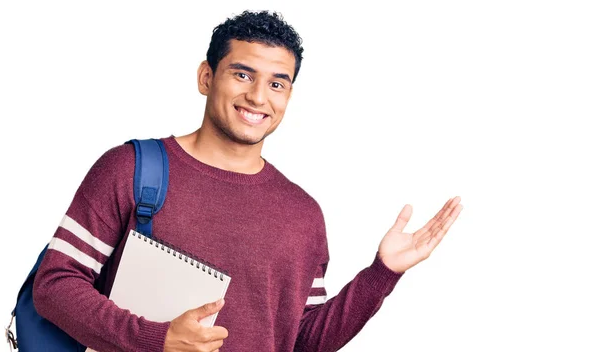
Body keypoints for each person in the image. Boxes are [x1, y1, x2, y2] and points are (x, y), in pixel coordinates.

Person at [33, 10, 463, 352]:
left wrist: (381, 274)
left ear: (288, 95)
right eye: (243, 74)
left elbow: (303, 341)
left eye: (277, 83)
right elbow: (54, 287)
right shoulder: (132, 168)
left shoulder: (302, 213)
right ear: (206, 77)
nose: (258, 96)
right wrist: (155, 339)